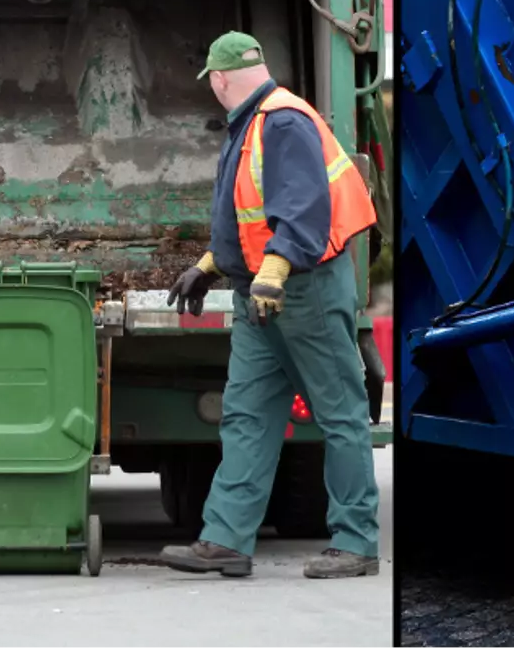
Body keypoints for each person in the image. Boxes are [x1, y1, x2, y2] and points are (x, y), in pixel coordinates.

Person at [159, 31, 381, 580]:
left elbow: (303, 210)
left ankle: (357, 543)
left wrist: (273, 275)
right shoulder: (256, 125)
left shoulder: (282, 122)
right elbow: (252, 216)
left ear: (218, 78)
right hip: (264, 294)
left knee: (340, 416)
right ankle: (227, 539)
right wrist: (208, 266)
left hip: (301, 291)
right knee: (248, 416)